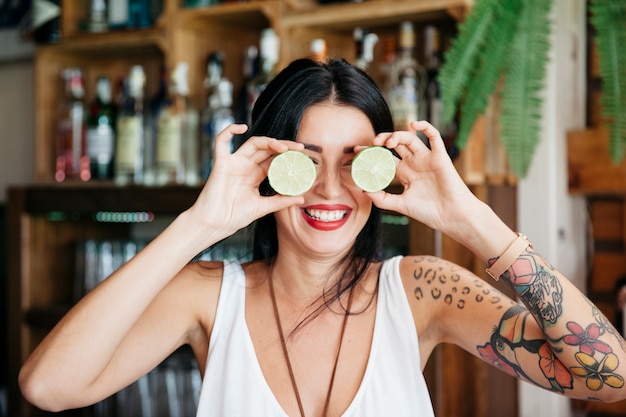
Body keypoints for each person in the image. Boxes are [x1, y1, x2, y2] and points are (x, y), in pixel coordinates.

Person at [19, 58, 626, 416]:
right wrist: (198, 226)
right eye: (304, 163)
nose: (330, 191)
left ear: (381, 174)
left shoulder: (421, 290)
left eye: (354, 161)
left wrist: (471, 221)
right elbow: (47, 387)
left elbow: (608, 374)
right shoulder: (206, 296)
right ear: (267, 168)